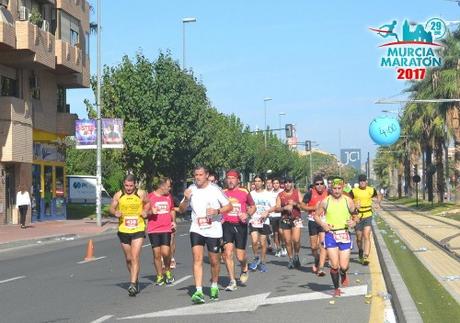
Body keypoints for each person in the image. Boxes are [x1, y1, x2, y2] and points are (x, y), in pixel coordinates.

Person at [179, 165, 233, 304]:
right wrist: (185, 199)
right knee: (197, 258)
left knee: (214, 261)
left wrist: (217, 211)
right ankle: (198, 290)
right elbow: (181, 209)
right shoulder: (191, 189)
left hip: (213, 229)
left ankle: (214, 285)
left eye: (200, 174)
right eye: (195, 175)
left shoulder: (215, 189)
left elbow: (229, 206)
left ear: (207, 175)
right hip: (196, 228)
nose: (197, 177)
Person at [315, 177, 357, 297]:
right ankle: (336, 288)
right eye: (334, 188)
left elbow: (356, 216)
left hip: (344, 234)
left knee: (343, 266)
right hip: (331, 235)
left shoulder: (348, 201)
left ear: (343, 188)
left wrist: (354, 222)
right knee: (334, 264)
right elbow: (316, 216)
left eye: (339, 188)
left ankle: (343, 273)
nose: (337, 191)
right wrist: (323, 224)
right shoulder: (325, 201)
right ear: (330, 188)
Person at [110, 174, 150, 297]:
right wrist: (115, 212)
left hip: (138, 228)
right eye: (126, 185)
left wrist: (145, 211)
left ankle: (132, 284)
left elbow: (148, 204)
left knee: (134, 256)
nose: (128, 188)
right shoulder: (118, 194)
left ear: (135, 185)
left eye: (131, 186)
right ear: (124, 184)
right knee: (128, 258)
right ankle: (135, 278)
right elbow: (111, 207)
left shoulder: (141, 193)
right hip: (123, 229)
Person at [222, 169, 256, 290]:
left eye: (233, 178)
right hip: (226, 225)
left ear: (238, 180)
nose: (230, 181)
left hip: (240, 225)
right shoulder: (223, 192)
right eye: (228, 178)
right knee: (227, 253)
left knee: (240, 256)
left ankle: (244, 266)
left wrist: (247, 214)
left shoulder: (244, 191)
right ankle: (232, 280)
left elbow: (253, 207)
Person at [146, 176, 176, 286]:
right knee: (156, 254)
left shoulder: (168, 197)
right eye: (168, 186)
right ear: (162, 186)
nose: (170, 188)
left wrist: (174, 221)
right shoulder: (150, 197)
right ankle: (159, 276)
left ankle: (167, 271)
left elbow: (172, 209)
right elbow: (143, 212)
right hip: (153, 229)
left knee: (166, 252)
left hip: (166, 228)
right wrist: (150, 212)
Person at [350, 174, 382, 265]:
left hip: (368, 214)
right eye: (361, 181)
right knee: (359, 237)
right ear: (359, 182)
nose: (362, 182)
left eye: (364, 181)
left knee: (367, 235)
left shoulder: (371, 190)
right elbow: (347, 200)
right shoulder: (354, 191)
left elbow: (378, 195)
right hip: (357, 216)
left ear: (366, 181)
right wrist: (354, 205)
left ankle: (366, 255)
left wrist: (378, 202)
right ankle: (360, 250)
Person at [302, 175, 328, 276]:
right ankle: (317, 259)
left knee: (322, 245)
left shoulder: (328, 193)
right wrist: (313, 207)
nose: (319, 186)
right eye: (317, 184)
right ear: (314, 185)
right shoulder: (310, 193)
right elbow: (302, 205)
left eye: (321, 184)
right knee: (313, 247)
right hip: (312, 221)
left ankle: (320, 268)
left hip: (323, 221)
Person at [276, 177, 305, 269]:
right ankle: (291, 259)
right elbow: (277, 208)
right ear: (283, 184)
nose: (287, 184)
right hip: (285, 219)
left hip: (296, 219)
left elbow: (303, 206)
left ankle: (296, 255)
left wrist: (295, 204)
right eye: (286, 183)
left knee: (296, 240)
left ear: (292, 183)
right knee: (288, 241)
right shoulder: (280, 195)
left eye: (289, 182)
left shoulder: (297, 193)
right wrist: (284, 208)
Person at [248, 175, 274, 273]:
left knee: (263, 243)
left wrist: (267, 212)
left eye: (259, 181)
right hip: (254, 220)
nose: (257, 183)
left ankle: (262, 262)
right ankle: (256, 258)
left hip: (264, 221)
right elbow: (247, 206)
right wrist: (249, 211)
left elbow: (274, 206)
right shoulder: (251, 194)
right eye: (255, 181)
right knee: (254, 241)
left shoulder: (268, 194)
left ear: (263, 182)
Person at [268, 177, 285, 257]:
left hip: (281, 214)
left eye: (277, 183)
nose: (275, 185)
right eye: (274, 183)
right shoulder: (270, 193)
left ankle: (283, 246)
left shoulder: (282, 192)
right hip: (273, 215)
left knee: (281, 232)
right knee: (275, 233)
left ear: (279, 184)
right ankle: (278, 249)